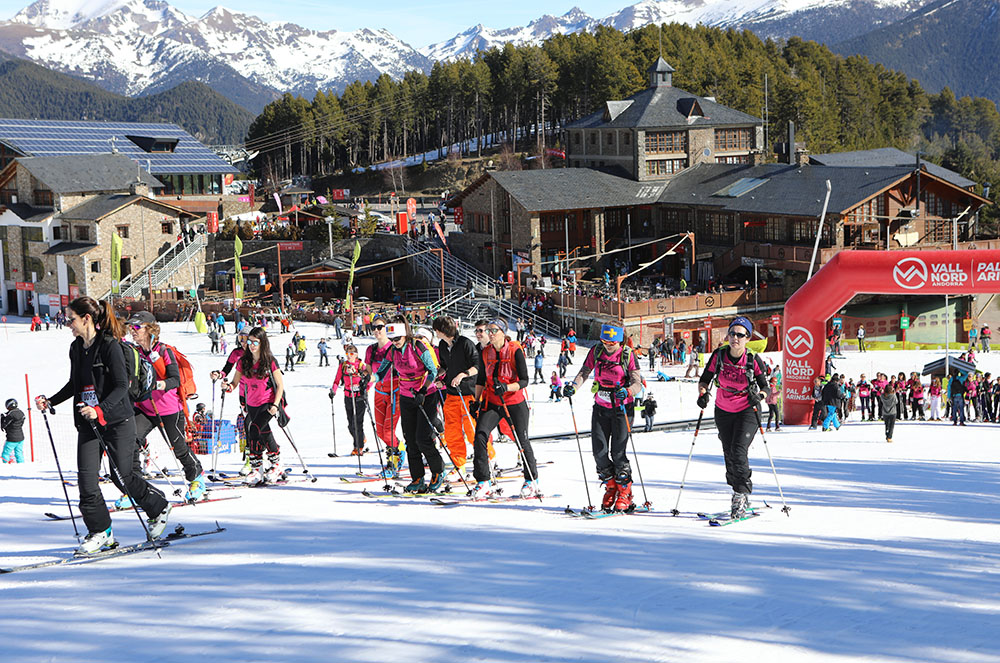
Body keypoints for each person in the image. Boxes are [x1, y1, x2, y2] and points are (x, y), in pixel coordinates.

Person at [36, 297, 171, 554]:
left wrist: (100, 409)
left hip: (117, 420)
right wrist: (51, 401)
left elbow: (122, 386)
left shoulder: (110, 346)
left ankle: (158, 507)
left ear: (86, 318)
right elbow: (74, 384)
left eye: (71, 319)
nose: (68, 324)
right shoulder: (76, 348)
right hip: (88, 422)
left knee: (123, 477)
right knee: (86, 481)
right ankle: (101, 531)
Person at [124, 311, 205, 504]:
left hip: (169, 409)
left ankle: (196, 479)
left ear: (150, 329)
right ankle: (135, 488)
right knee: (131, 441)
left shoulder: (163, 351)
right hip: (145, 407)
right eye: (130, 328)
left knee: (178, 447)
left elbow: (174, 379)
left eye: (136, 327)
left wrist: (157, 385)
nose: (132, 331)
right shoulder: (135, 352)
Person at [696, 316, 770, 520]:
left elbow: (766, 386)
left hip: (747, 410)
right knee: (728, 452)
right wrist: (703, 394)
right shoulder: (719, 355)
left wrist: (760, 396)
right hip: (723, 409)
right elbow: (705, 380)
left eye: (740, 335)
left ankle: (741, 494)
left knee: (739, 451)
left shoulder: (753, 359)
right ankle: (737, 487)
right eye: (732, 333)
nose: (735, 338)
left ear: (747, 338)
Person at [563, 323, 642, 513]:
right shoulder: (597, 351)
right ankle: (611, 487)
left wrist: (628, 391)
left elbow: (637, 382)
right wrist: (573, 387)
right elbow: (585, 371)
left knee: (617, 452)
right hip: (601, 407)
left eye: (612, 342)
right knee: (599, 452)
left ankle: (625, 491)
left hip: (622, 408)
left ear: (619, 341)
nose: (608, 345)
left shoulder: (627, 354)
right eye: (605, 341)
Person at [374, 318, 444, 493]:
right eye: (392, 339)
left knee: (423, 438)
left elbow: (433, 370)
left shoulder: (418, 346)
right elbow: (381, 371)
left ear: (405, 334)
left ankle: (437, 471)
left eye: (398, 338)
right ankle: (417, 478)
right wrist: (369, 380)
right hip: (406, 396)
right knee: (410, 440)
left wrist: (423, 390)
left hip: (426, 395)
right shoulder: (392, 350)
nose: (395, 342)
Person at [471, 319, 538, 500]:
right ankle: (483, 481)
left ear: (503, 332)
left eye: (494, 330)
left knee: (521, 440)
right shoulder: (486, 352)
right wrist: (476, 401)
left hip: (514, 402)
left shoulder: (515, 350)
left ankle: (531, 480)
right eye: (488, 330)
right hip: (493, 402)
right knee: (480, 436)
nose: (490, 333)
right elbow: (481, 379)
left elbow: (524, 380)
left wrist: (507, 387)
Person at [224, 327, 285, 485]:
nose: (251, 345)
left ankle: (267, 465)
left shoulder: (269, 361)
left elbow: (279, 385)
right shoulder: (243, 361)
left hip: (268, 403)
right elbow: (235, 382)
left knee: (255, 428)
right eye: (249, 341)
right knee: (262, 432)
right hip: (251, 404)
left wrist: (276, 405)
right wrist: (228, 387)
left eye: (255, 342)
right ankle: (266, 466)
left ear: (262, 343)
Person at [432, 316, 480, 478]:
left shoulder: (465, 343)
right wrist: (438, 378)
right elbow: (446, 366)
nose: (435, 333)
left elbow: (477, 366)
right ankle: (459, 464)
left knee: (472, 429)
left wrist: (462, 375)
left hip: (468, 393)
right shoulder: (443, 346)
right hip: (452, 393)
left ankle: (487, 457)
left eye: (436, 330)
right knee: (452, 431)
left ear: (442, 330)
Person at [365, 316, 403, 477]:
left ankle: (396, 458)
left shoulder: (394, 348)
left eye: (379, 327)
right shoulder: (371, 350)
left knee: (388, 431)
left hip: (395, 391)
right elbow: (368, 372)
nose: (376, 330)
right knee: (380, 432)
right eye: (373, 327)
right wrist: (364, 387)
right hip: (379, 391)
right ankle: (397, 450)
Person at [331, 344, 369, 456]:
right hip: (348, 396)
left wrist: (364, 388)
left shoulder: (361, 365)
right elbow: (337, 380)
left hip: (359, 397)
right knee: (351, 424)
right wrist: (333, 390)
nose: (349, 356)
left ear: (356, 355)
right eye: (347, 354)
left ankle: (358, 447)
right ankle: (361, 439)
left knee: (358, 423)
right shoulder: (343, 366)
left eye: (351, 354)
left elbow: (368, 379)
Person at [1, 398, 26, 463]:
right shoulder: (21, 412)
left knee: (5, 453)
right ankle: (21, 465)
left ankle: (5, 464)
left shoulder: (11, 415)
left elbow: (4, 425)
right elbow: (20, 422)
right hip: (20, 437)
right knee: (19, 452)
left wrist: (2, 419)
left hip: (12, 438)